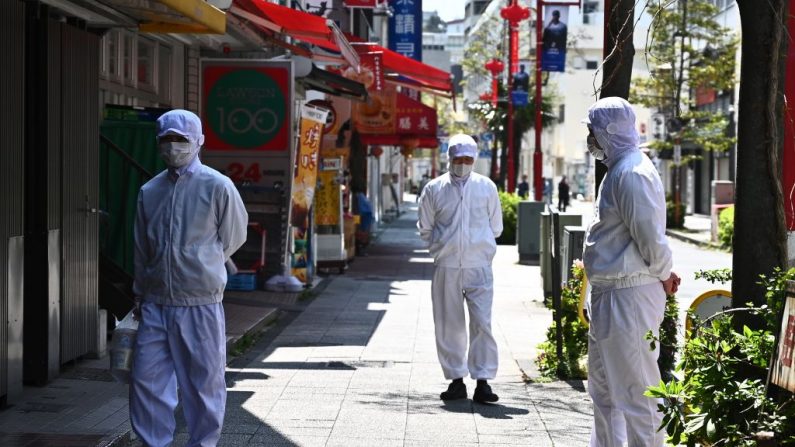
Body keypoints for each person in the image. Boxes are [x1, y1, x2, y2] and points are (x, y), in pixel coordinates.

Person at [130, 109, 248, 447]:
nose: (173, 146)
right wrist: (140, 293)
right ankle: (154, 443)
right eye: (166, 139)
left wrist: (204, 262)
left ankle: (203, 444)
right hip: (155, 302)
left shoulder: (217, 186)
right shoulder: (149, 191)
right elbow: (142, 246)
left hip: (200, 301)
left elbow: (234, 236)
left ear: (198, 141)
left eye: (180, 139)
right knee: (146, 382)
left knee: (203, 383)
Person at [581, 97, 681, 447]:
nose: (590, 139)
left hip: (629, 296)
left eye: (593, 131)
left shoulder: (632, 172)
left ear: (608, 131)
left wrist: (665, 271)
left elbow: (650, 237)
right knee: (604, 391)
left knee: (638, 394)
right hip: (612, 295)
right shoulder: (621, 169)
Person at [417, 134, 503, 404]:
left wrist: (481, 246)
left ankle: (483, 381)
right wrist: (442, 248)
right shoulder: (434, 189)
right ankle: (456, 380)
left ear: (474, 159)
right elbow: (425, 227)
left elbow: (496, 226)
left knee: (482, 323)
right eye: (458, 159)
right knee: (448, 324)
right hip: (448, 266)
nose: (463, 164)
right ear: (449, 159)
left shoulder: (486, 187)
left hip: (479, 266)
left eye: (468, 160)